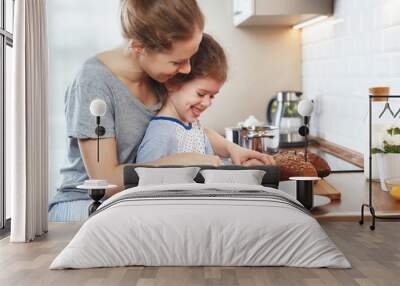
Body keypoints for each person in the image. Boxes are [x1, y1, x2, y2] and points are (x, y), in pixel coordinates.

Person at [49, 0, 273, 222]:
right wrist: (177, 162)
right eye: (178, 62)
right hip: (83, 205)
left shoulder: (157, 75)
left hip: (129, 199)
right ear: (138, 47)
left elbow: (188, 129)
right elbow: (105, 182)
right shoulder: (94, 83)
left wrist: (232, 149)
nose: (186, 69)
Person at [135, 33, 233, 164]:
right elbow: (143, 177)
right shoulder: (161, 135)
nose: (207, 103)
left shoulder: (194, 127)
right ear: (172, 83)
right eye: (201, 94)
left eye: (212, 96)